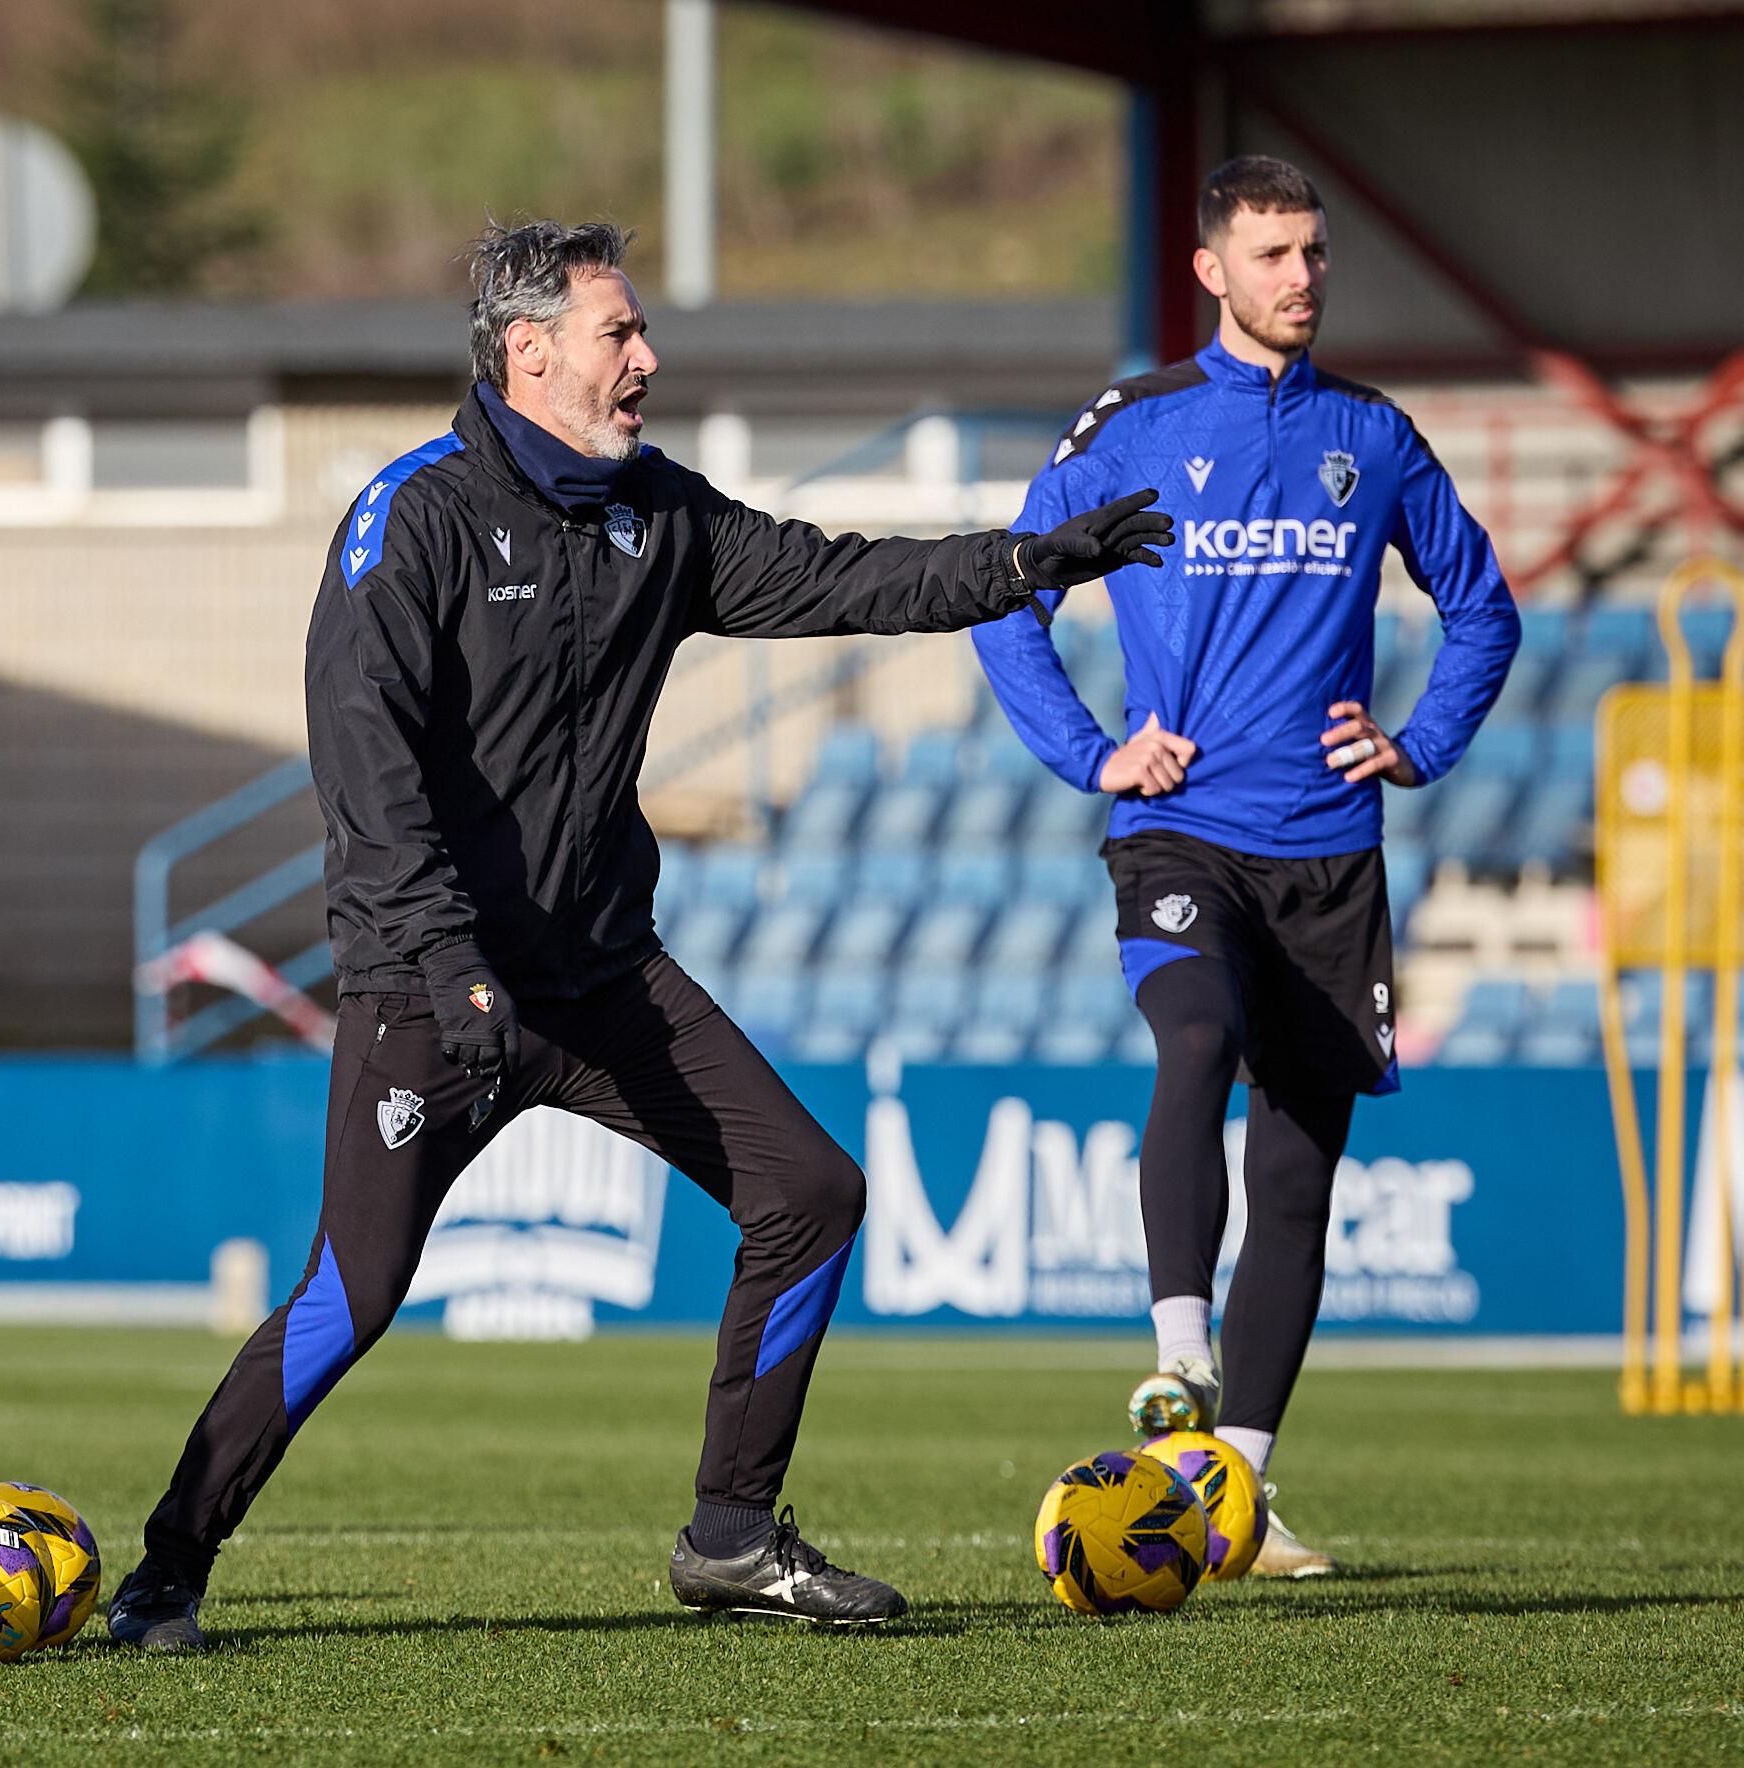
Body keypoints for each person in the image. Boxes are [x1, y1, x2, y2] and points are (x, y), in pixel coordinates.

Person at [102, 219, 1173, 1651]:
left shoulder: (656, 511)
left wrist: (1030, 562)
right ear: (527, 352)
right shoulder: (409, 520)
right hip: (432, 991)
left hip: (605, 978)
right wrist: (448, 963)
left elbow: (843, 578)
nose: (648, 357)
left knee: (812, 1195)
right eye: (621, 334)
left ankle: (731, 1536)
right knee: (351, 1297)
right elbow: (370, 783)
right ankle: (168, 1567)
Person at [972, 156, 1519, 1577]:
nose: (1303, 278)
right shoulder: (1141, 426)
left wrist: (1420, 743)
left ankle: (1237, 1494)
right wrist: (1095, 753)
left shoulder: (1371, 435)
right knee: (1195, 1031)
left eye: (1317, 254)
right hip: (1183, 829)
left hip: (1331, 851)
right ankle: (1175, 1361)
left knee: (1298, 1175)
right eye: (1274, 254)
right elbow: (1003, 597)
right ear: (1211, 268)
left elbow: (1482, 607)